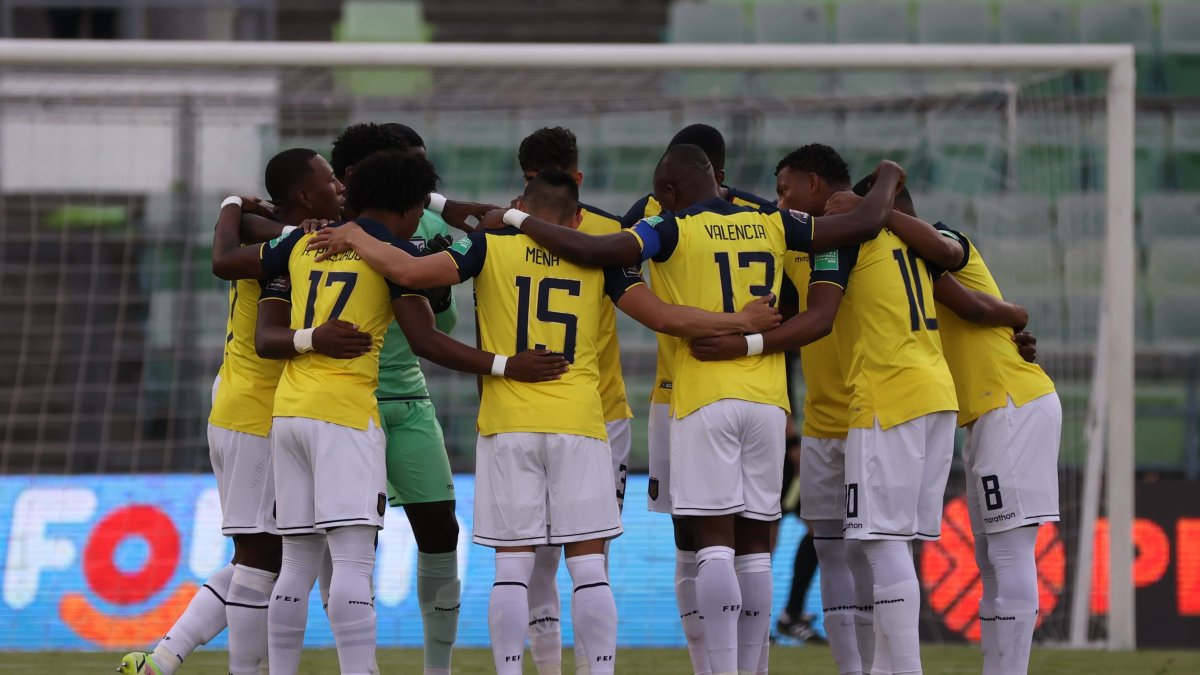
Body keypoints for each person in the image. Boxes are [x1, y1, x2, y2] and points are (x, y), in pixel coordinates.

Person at [307, 169, 784, 674]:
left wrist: (356, 234)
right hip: (580, 422)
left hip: (508, 422)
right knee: (589, 568)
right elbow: (664, 317)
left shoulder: (487, 245)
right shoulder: (598, 257)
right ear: (576, 217)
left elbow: (409, 272)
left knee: (512, 569)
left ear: (522, 207)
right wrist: (740, 321)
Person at [471, 146, 905, 675]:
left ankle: (717, 668)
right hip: (768, 400)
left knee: (713, 548)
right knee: (756, 551)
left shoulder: (669, 227)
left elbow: (594, 248)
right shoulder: (772, 220)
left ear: (669, 194)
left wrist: (513, 218)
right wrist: (888, 175)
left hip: (702, 397)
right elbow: (862, 224)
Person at [117, 148, 360, 675]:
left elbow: (240, 230)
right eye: (330, 180)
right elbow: (226, 256)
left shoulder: (268, 234)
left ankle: (162, 660)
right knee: (261, 560)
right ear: (304, 195)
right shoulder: (282, 248)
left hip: (247, 405)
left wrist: (232, 205)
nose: (339, 187)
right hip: (257, 414)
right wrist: (234, 204)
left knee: (275, 553)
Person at [825, 186, 1056, 675]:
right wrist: (1014, 316)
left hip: (1011, 401)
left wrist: (1014, 314)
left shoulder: (940, 241)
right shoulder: (899, 263)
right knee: (989, 555)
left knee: (1008, 551)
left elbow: (972, 305)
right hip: (983, 410)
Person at [620, 123, 775, 675]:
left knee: (703, 540)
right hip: (745, 391)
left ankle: (724, 666)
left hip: (689, 393)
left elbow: (616, 250)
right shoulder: (765, 218)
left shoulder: (662, 217)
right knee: (730, 540)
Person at [516, 125, 634, 675]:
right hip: (573, 416)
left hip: (582, 414)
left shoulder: (503, 230)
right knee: (572, 560)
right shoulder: (612, 234)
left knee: (565, 561)